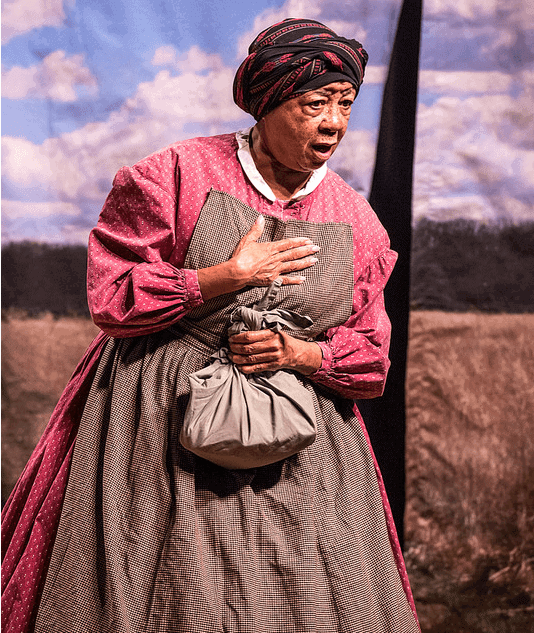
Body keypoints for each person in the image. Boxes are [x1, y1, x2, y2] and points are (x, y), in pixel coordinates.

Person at [1, 18, 420, 633]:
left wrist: (297, 354)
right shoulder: (174, 175)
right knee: (156, 590)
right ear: (268, 104)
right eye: (313, 104)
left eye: (345, 104)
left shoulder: (356, 218)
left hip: (296, 432)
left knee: (309, 594)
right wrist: (224, 277)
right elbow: (113, 298)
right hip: (155, 416)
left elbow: (369, 355)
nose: (333, 122)